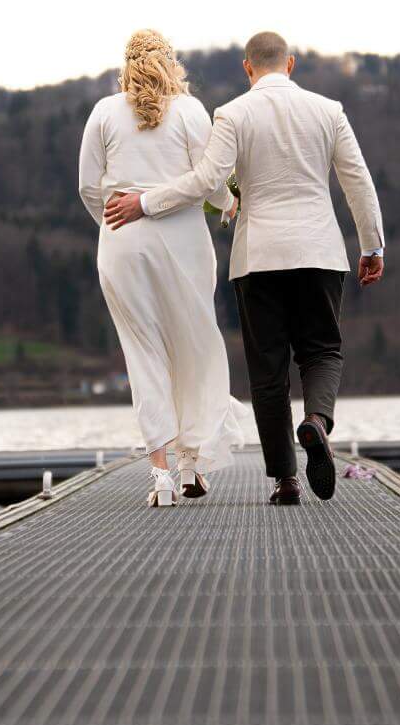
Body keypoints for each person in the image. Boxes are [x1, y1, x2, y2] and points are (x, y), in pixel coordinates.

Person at [105, 30, 383, 505]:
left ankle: (286, 481)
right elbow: (356, 179)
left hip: (257, 258)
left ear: (247, 68)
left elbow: (206, 181)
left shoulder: (232, 113)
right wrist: (371, 246)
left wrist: (145, 203)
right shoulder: (329, 110)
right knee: (321, 351)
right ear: (290, 64)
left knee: (267, 372)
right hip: (319, 251)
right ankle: (317, 420)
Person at [77, 30, 245, 505]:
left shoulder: (103, 113)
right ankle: (192, 466)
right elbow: (209, 182)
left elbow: (89, 186)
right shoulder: (190, 111)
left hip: (123, 243)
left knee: (143, 352)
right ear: (171, 63)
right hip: (184, 241)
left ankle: (162, 477)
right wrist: (230, 204)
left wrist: (112, 221)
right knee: (194, 346)